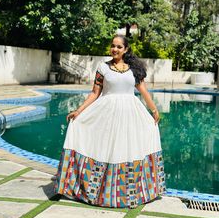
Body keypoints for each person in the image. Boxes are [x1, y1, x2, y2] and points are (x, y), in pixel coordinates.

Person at [54, 34, 166, 208]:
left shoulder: (133, 69)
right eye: (113, 46)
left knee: (128, 149)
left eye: (119, 47)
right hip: (107, 113)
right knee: (106, 149)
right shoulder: (103, 68)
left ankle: (131, 194)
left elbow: (142, 89)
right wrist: (78, 111)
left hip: (131, 113)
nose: (115, 49)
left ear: (126, 49)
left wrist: (154, 109)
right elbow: (94, 93)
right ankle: (98, 191)